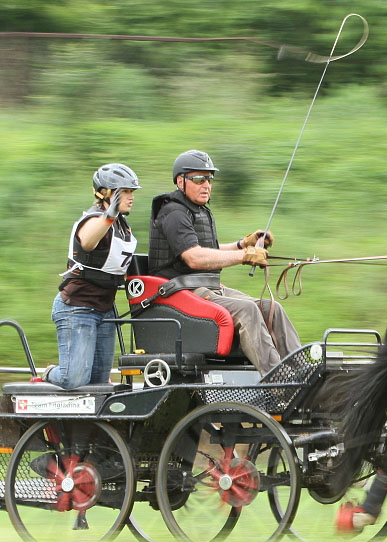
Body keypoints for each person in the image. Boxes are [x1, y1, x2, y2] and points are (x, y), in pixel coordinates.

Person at [148, 149, 301, 375]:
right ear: (180, 181)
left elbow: (208, 250)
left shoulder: (198, 211)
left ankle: (303, 373)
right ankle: (279, 381)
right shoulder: (173, 212)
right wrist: (243, 257)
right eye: (198, 179)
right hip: (179, 291)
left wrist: (243, 244)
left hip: (204, 287)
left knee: (272, 308)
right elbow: (194, 256)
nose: (206, 185)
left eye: (209, 179)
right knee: (247, 310)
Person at [46, 163, 141, 389]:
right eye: (125, 191)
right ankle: (50, 372)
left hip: (105, 310)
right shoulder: (95, 219)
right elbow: (88, 241)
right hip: (77, 308)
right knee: (74, 379)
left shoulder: (122, 226)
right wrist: (110, 215)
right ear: (107, 193)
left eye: (132, 192)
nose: (131, 197)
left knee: (98, 383)